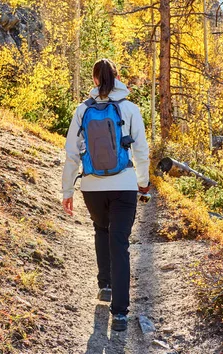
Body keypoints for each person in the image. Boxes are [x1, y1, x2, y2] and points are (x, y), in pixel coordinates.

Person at [61, 59, 150, 332]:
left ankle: (105, 286)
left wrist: (67, 191)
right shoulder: (130, 109)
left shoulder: (82, 110)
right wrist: (143, 183)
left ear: (95, 80)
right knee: (120, 243)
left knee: (101, 230)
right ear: (117, 77)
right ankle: (120, 314)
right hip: (123, 185)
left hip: (91, 186)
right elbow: (141, 151)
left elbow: (72, 154)